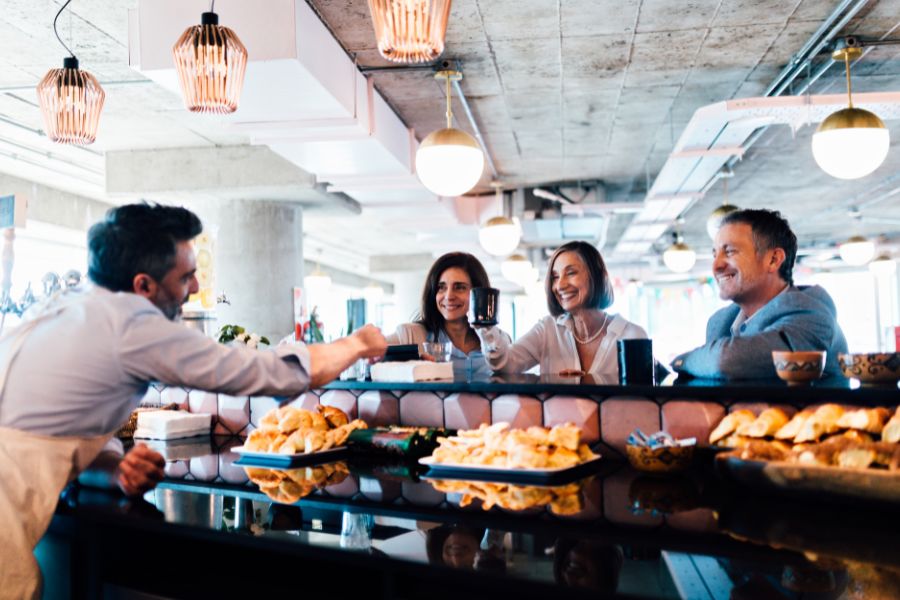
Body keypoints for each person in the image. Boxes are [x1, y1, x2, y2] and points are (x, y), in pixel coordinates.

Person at [0, 203, 387, 598]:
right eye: (186, 276)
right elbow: (268, 372)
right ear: (143, 286)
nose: (198, 287)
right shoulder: (133, 324)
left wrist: (113, 466)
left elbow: (53, 424)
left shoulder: (69, 304)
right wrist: (356, 343)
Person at [672, 209, 848, 380]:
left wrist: (682, 361)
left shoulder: (813, 317)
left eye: (730, 251)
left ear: (773, 260)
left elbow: (726, 361)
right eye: (715, 254)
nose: (716, 266)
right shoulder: (719, 323)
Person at [477, 241, 648, 377]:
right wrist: (486, 327)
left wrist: (586, 384)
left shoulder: (633, 335)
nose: (560, 285)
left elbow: (643, 401)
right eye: (555, 277)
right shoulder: (548, 330)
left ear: (596, 276)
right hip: (560, 422)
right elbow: (506, 365)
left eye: (571, 273)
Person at [385, 252, 509, 378]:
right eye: (441, 287)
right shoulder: (410, 335)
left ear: (478, 294)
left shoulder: (499, 341)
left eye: (459, 287)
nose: (449, 296)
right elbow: (370, 355)